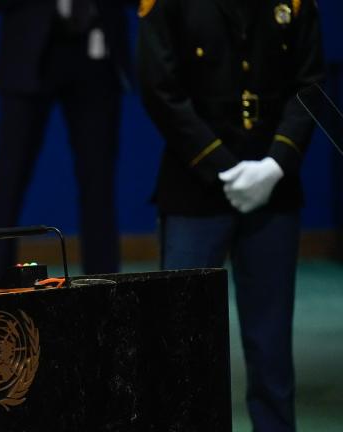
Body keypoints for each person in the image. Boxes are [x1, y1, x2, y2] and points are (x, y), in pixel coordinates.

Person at [137, 1, 324, 430]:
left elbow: (310, 82)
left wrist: (277, 163)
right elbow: (158, 85)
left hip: (273, 189)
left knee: (272, 349)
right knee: (181, 344)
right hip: (194, 187)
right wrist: (220, 165)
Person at [0, 0, 135, 287]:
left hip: (98, 52)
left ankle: (103, 289)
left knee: (99, 184)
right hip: (28, 52)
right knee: (8, 181)